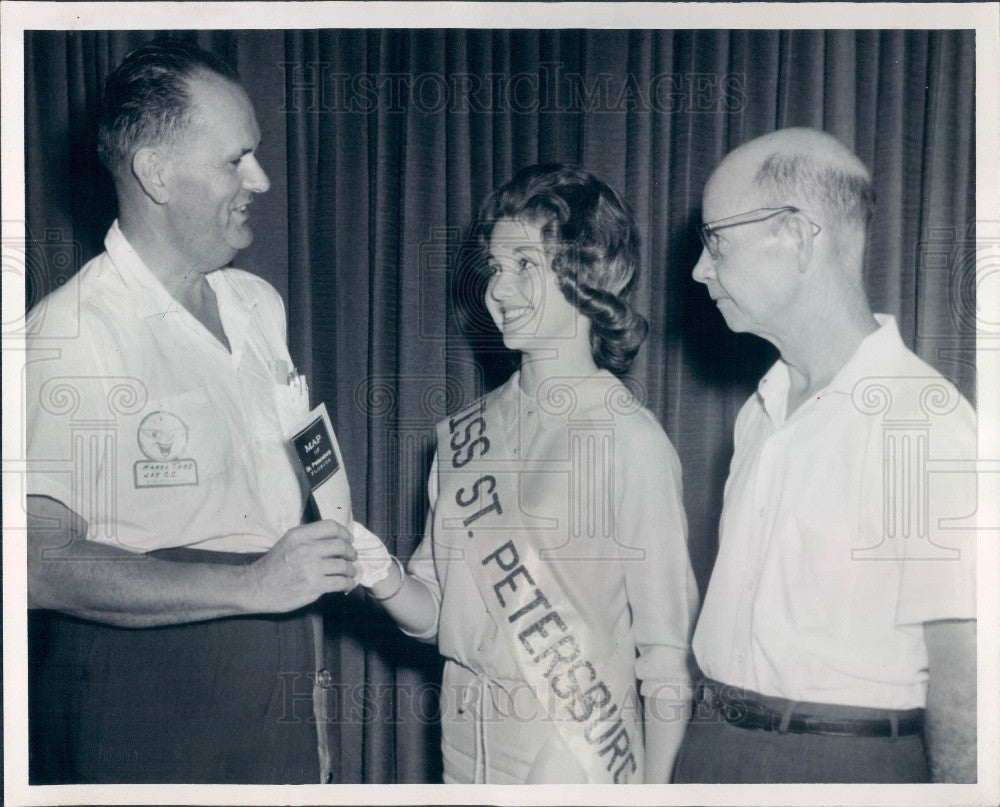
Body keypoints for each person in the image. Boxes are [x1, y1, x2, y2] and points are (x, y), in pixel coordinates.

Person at [26, 41, 358, 784]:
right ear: (155, 172)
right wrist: (246, 586)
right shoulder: (70, 333)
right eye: (234, 160)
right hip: (148, 707)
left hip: (279, 694)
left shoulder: (257, 303)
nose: (261, 180)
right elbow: (34, 562)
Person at [352, 165, 699, 783]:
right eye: (495, 268)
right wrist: (375, 573)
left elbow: (666, 658)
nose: (497, 290)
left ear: (585, 276)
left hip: (574, 754)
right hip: (462, 748)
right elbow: (433, 613)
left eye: (525, 267)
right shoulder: (462, 434)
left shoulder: (630, 440)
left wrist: (654, 796)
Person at [672, 128, 977, 783]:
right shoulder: (761, 411)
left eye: (715, 240)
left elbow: (966, 676)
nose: (699, 268)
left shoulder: (921, 419)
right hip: (712, 749)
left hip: (841, 767)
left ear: (799, 236)